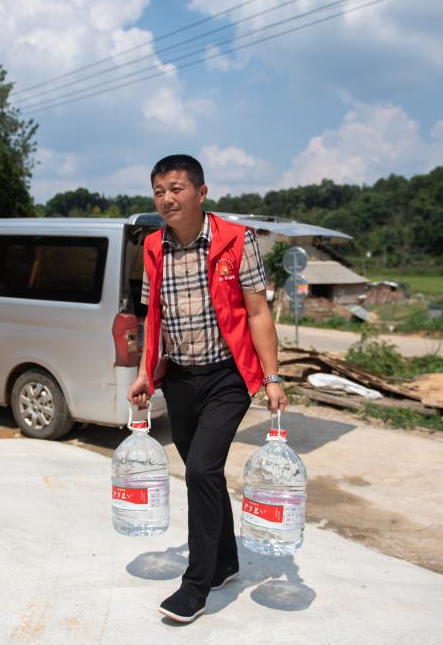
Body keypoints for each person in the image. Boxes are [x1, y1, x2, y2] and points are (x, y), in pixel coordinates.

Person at [128, 154, 287, 623]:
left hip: (228, 376)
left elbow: (257, 311)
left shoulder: (237, 239)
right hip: (179, 377)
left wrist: (273, 377)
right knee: (206, 474)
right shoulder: (153, 246)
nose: (167, 199)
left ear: (201, 192)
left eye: (176, 189)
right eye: (159, 191)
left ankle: (195, 585)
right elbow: (151, 317)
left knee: (200, 470)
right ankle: (226, 562)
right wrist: (145, 372)